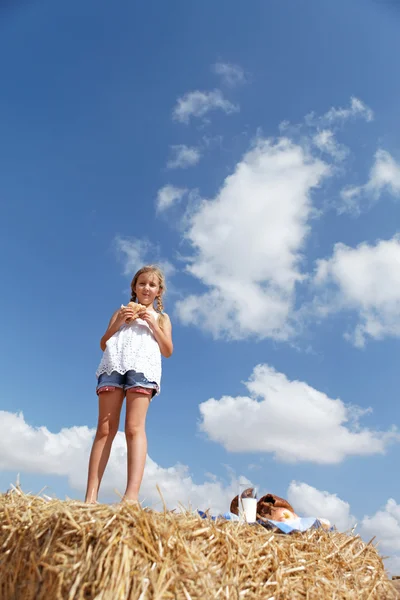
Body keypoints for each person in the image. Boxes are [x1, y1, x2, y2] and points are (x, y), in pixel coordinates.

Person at [85, 265, 173, 503]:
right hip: (113, 366)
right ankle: (90, 497)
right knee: (104, 430)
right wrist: (120, 323)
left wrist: (152, 324)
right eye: (142, 283)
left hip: (143, 370)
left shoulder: (162, 318)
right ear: (134, 287)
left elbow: (168, 350)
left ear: (159, 291)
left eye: (152, 285)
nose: (147, 288)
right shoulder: (120, 312)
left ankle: (130, 497)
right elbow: (104, 343)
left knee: (134, 429)